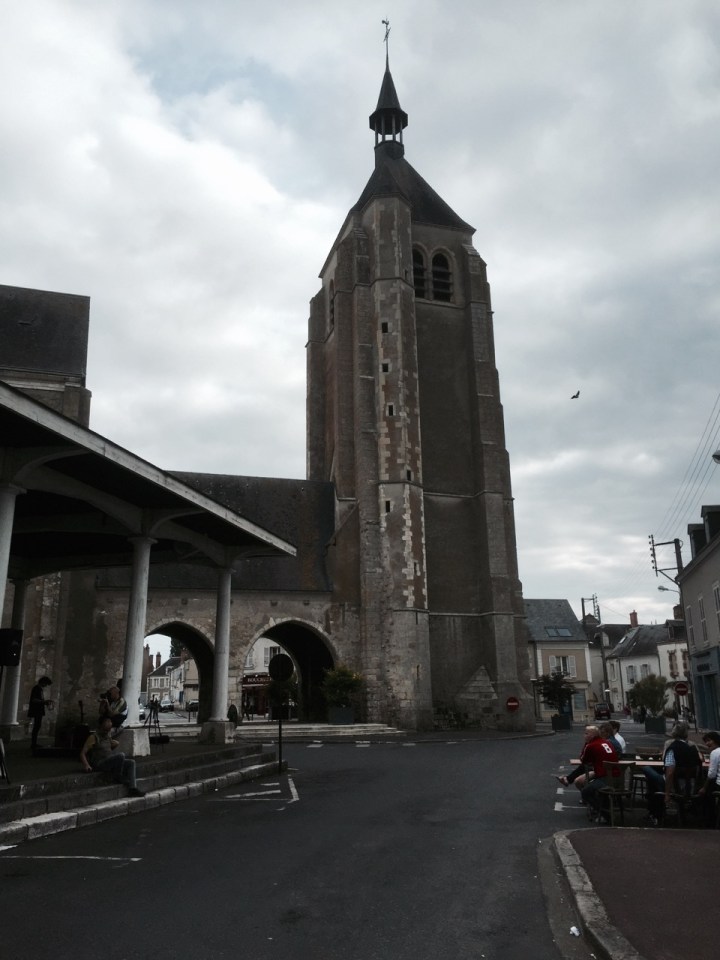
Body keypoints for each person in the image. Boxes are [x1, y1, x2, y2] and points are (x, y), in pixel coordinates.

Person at [80, 716, 145, 796]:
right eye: (105, 730)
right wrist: (86, 765)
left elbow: (110, 746)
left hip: (109, 761)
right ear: (100, 727)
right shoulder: (93, 737)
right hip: (99, 763)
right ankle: (117, 776)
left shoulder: (107, 736)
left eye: (108, 730)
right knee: (121, 755)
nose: (107, 732)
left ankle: (132, 788)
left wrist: (114, 744)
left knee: (131, 762)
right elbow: (82, 753)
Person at [697, 730, 720, 826]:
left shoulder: (715, 753)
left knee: (706, 793)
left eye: (709, 740)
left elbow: (711, 774)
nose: (707, 743)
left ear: (715, 740)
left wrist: (704, 788)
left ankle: (709, 819)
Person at [27, 676, 53, 752]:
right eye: (46, 684)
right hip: (36, 710)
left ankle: (34, 743)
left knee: (37, 726)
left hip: (38, 710)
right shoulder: (37, 689)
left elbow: (37, 700)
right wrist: (44, 702)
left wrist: (45, 702)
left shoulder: (38, 689)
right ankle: (33, 744)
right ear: (43, 682)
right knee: (36, 726)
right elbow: (34, 700)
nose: (46, 686)